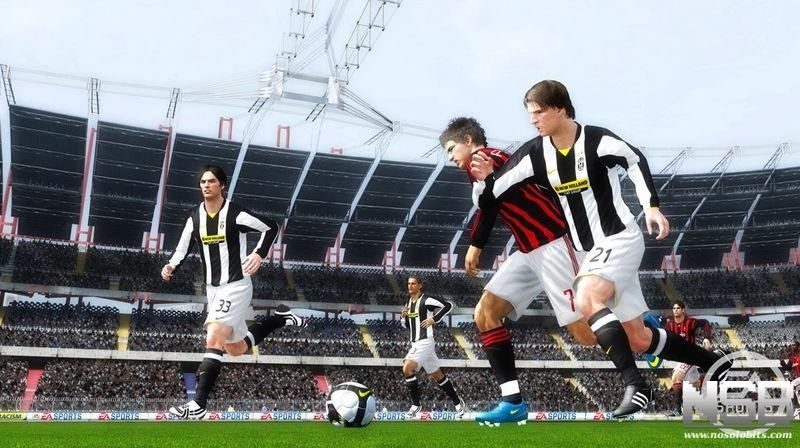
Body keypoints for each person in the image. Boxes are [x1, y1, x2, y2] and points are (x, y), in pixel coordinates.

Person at [470, 80, 731, 417]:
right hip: (589, 254)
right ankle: (715, 362)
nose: (533, 120)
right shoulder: (535, 153)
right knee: (637, 338)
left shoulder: (596, 139)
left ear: (560, 108)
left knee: (587, 296)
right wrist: (484, 180)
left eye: (539, 112)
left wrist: (651, 206)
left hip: (619, 239)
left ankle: (636, 385)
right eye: (530, 114)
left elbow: (634, 159)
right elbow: (492, 196)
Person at [440, 117, 596, 425]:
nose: (450, 157)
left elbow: (490, 205)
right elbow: (491, 202)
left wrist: (476, 244)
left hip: (552, 244)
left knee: (586, 336)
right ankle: (512, 402)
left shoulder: (487, 159)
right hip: (527, 251)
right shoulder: (486, 164)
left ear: (469, 140)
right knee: (485, 313)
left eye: (451, 149)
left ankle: (641, 330)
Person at [162, 165, 305, 420]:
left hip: (236, 285)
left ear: (222, 185)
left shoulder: (235, 213)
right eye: (203, 182)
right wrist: (171, 265)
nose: (206, 185)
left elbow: (271, 227)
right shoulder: (194, 216)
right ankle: (280, 318)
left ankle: (198, 404)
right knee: (235, 349)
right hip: (213, 290)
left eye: (211, 181)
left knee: (213, 337)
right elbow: (182, 247)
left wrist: (259, 254)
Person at [400, 275, 467, 419]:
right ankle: (458, 403)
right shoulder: (408, 303)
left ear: (420, 285)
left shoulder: (426, 300)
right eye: (409, 283)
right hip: (417, 343)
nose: (410, 286)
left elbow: (448, 305)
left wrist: (434, 319)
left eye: (413, 283)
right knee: (437, 375)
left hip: (425, 341)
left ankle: (416, 405)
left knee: (407, 368)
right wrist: (403, 317)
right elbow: (407, 326)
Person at [661, 300, 713, 416]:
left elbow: (705, 323)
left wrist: (707, 338)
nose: (676, 310)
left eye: (678, 308)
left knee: (676, 377)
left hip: (690, 355)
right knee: (696, 383)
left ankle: (677, 410)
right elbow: (665, 338)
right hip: (679, 357)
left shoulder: (690, 322)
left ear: (683, 310)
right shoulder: (669, 325)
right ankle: (708, 378)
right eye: (674, 308)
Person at [779, 340, 800, 418]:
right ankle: (797, 408)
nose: (792, 347)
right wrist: (782, 362)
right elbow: (787, 368)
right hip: (798, 378)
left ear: (798, 346)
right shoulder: (792, 357)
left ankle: (797, 408)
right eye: (792, 345)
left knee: (791, 386)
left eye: (794, 345)